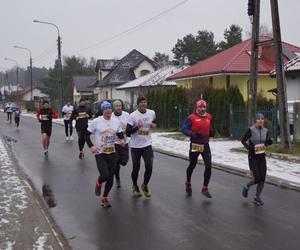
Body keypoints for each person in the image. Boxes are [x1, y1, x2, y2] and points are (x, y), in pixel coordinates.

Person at [85, 101, 125, 208]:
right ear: (102, 110)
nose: (108, 110)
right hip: (100, 153)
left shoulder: (116, 121)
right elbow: (86, 135)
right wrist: (91, 146)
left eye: (109, 108)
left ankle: (105, 197)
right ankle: (99, 182)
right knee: (104, 175)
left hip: (112, 152)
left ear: (111, 110)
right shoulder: (96, 121)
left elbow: (120, 133)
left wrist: (122, 140)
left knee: (110, 178)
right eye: (105, 108)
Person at [181, 99, 214, 198]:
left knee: (208, 166)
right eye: (200, 107)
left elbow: (209, 126)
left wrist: (211, 131)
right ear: (197, 107)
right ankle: (188, 183)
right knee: (192, 165)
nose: (202, 109)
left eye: (204, 107)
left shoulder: (209, 116)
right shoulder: (191, 117)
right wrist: (193, 134)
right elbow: (183, 129)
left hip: (205, 144)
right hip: (195, 144)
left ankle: (205, 188)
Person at [126, 96, 156, 198]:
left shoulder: (151, 113)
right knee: (136, 168)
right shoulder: (132, 116)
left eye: (145, 102)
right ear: (138, 104)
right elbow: (128, 133)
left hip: (147, 144)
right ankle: (135, 186)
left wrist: (153, 125)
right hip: (135, 146)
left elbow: (154, 122)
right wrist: (137, 127)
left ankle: (145, 185)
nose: (143, 104)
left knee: (149, 166)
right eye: (141, 102)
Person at [241, 112, 273, 206]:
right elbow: (243, 140)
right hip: (253, 157)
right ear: (255, 120)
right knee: (256, 179)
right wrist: (249, 147)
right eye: (258, 119)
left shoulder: (266, 131)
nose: (260, 120)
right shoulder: (251, 130)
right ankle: (246, 186)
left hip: (262, 157)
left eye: (262, 119)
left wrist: (269, 142)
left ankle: (257, 197)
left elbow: (267, 142)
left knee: (262, 179)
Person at [111, 100, 130, 188]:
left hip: (124, 142)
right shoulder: (110, 116)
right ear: (113, 107)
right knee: (116, 163)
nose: (118, 107)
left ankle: (117, 163)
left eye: (119, 105)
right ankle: (117, 178)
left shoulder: (126, 115)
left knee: (124, 162)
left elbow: (130, 126)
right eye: (116, 106)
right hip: (114, 142)